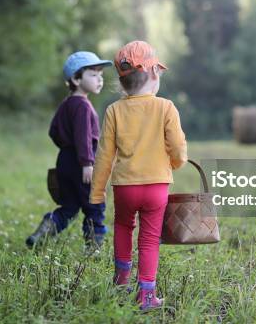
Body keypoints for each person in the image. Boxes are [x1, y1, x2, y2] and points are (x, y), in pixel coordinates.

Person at [90, 40, 188, 311]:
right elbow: (178, 147)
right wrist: (177, 162)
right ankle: (146, 296)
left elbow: (104, 157)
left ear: (122, 83)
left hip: (125, 188)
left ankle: (121, 282)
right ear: (155, 74)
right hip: (156, 187)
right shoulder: (166, 107)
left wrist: (97, 193)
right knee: (149, 238)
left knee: (123, 227)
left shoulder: (114, 111)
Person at [26, 51, 112, 249]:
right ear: (75, 78)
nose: (99, 79)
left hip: (65, 160)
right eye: (93, 75)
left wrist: (66, 148)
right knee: (95, 205)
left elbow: (53, 131)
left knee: (70, 207)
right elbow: (83, 137)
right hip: (83, 163)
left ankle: (43, 232)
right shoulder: (83, 106)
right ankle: (94, 248)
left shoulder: (66, 105)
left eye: (101, 75)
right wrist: (86, 163)